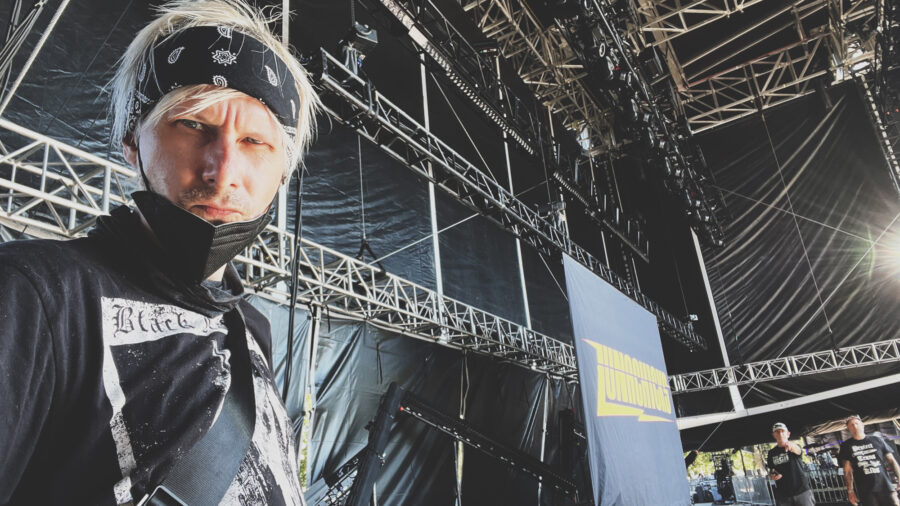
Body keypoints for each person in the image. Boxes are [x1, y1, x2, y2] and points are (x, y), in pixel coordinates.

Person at [0, 1, 319, 504]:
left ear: (282, 172)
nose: (223, 171)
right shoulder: (36, 295)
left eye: (255, 141)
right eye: (193, 125)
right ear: (133, 140)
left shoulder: (250, 325)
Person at [839, 415, 900, 506]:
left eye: (856, 423)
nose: (855, 426)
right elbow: (847, 470)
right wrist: (850, 491)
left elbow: (892, 461)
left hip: (885, 486)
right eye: (851, 425)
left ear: (862, 425)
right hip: (865, 490)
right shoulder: (846, 446)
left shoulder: (877, 440)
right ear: (848, 429)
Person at [766, 422, 815, 506]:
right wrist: (772, 475)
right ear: (774, 435)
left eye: (782, 431)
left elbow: (798, 450)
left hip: (801, 491)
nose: (780, 434)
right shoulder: (771, 453)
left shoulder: (795, 446)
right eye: (777, 432)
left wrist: (791, 446)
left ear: (788, 434)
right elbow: (772, 470)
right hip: (783, 494)